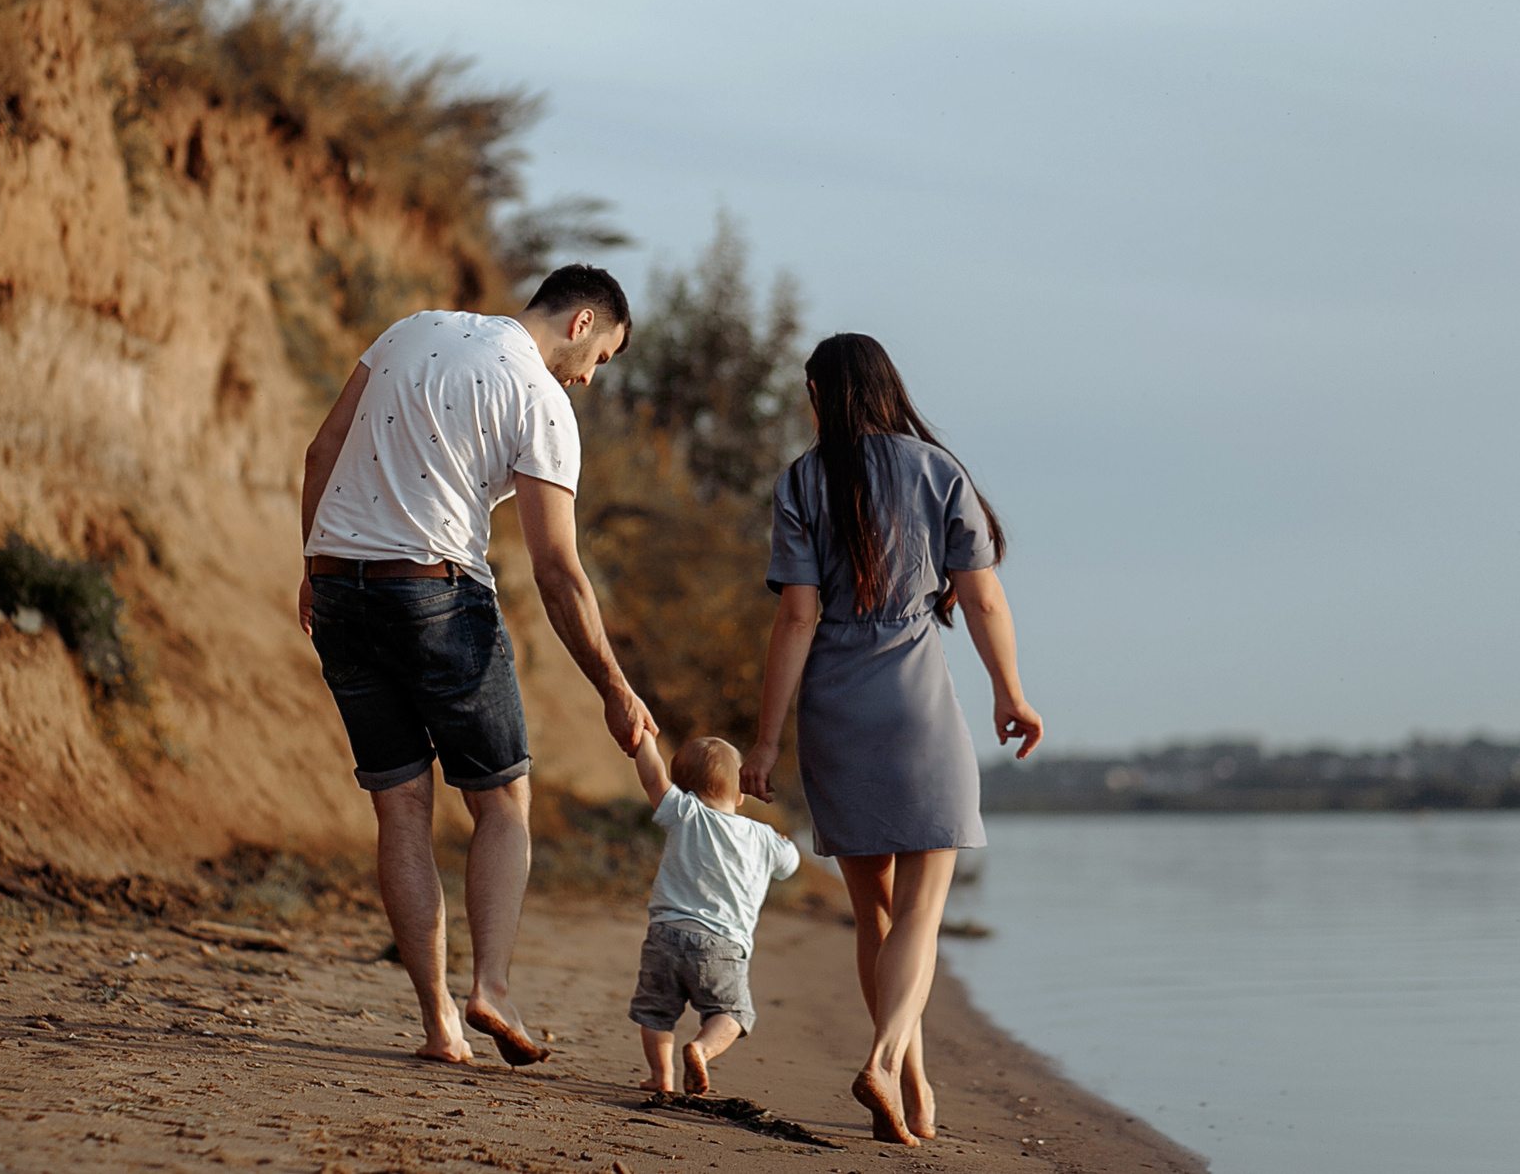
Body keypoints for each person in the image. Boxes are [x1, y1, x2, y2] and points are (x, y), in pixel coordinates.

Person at [298, 265, 658, 1068]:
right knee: (502, 801)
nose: (593, 375)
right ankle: (490, 984)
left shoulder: (412, 327)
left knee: (401, 808)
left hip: (340, 586)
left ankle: (439, 1026)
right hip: (433, 592)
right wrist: (614, 685)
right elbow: (558, 570)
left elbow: (323, 447)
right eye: (603, 355)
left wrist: (312, 567)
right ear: (582, 321)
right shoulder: (540, 397)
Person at [741, 333, 1043, 1147]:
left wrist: (767, 741)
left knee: (873, 910)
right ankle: (882, 1058)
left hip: (835, 709)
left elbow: (797, 616)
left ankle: (911, 1081)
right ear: (887, 387)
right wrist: (1009, 692)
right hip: (916, 709)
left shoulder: (802, 478)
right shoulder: (937, 471)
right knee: (922, 907)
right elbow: (982, 601)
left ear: (818, 391)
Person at [625, 732, 800, 1096]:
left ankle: (661, 1076)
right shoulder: (762, 835)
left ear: (683, 789)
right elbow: (789, 865)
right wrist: (785, 845)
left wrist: (644, 739)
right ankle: (701, 1049)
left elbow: (652, 777)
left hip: (665, 935)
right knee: (732, 1013)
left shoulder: (684, 812)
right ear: (739, 794)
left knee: (656, 1013)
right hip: (722, 946)